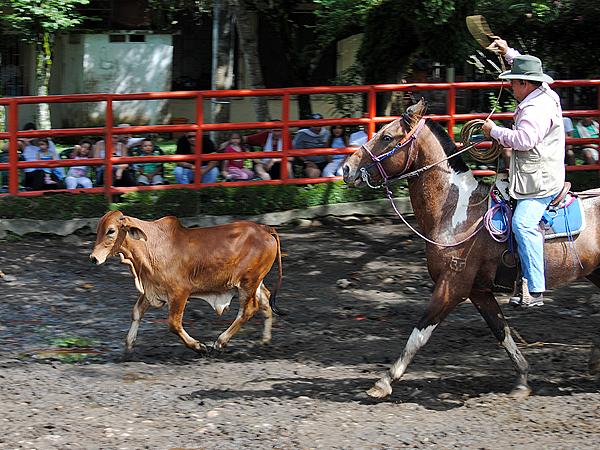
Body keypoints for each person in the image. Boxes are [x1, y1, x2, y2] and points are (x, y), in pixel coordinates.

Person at [482, 38, 565, 309]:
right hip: (538, 172)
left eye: (514, 81)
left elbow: (525, 140)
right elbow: (523, 67)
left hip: (540, 181)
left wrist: (494, 131)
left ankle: (536, 288)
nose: (511, 86)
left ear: (525, 84)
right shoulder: (545, 92)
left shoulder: (535, 108)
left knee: (522, 224)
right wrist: (507, 52)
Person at [292, 113, 330, 178]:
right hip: (309, 162)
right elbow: (296, 150)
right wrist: (306, 162)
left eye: (319, 123)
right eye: (315, 123)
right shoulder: (302, 134)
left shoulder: (327, 133)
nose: (317, 125)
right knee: (313, 174)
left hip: (325, 161)